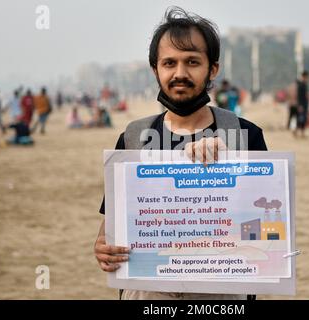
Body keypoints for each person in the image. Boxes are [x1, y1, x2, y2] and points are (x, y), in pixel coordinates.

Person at [94, 7, 268, 300]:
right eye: (169, 63)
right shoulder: (134, 138)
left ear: (212, 69)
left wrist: (232, 167)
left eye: (192, 62)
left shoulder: (244, 134)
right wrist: (103, 245)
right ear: (156, 70)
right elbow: (111, 224)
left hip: (222, 294)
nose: (180, 73)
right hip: (148, 292)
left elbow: (266, 230)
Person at [295, 71, 309, 138]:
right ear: (304, 76)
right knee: (301, 119)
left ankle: (299, 132)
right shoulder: (301, 85)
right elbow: (299, 96)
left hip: (305, 105)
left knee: (302, 119)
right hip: (302, 105)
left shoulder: (304, 84)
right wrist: (300, 105)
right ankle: (299, 132)